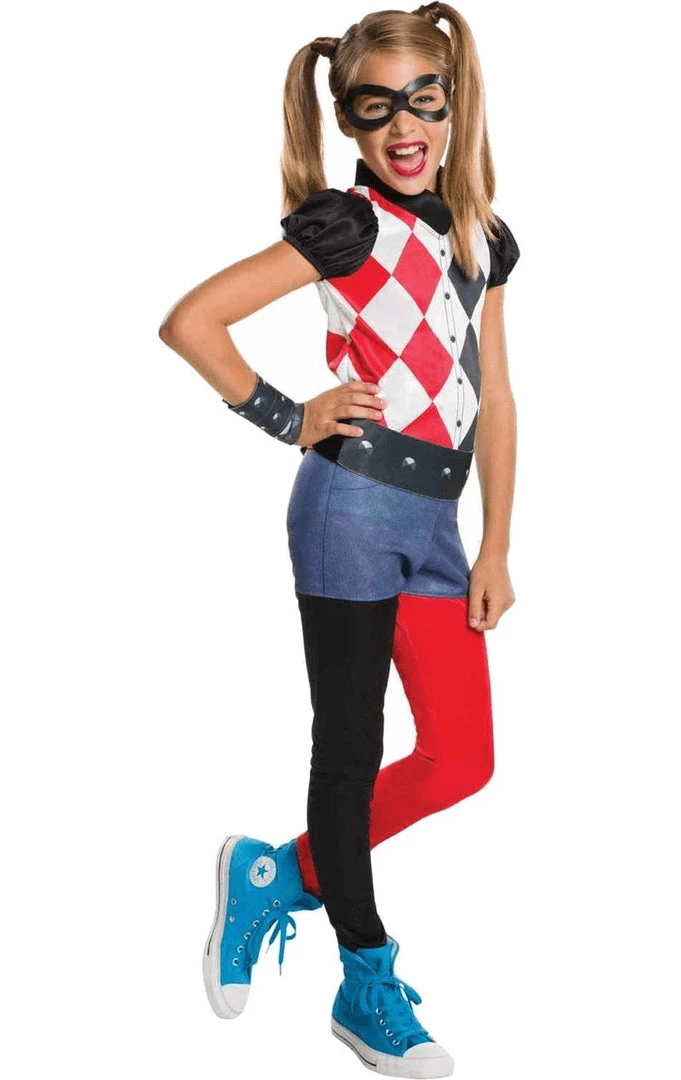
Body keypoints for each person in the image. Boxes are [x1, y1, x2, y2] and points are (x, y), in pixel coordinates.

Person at [159, 3, 520, 1077]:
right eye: (376, 108)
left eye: (423, 101)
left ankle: (278, 871)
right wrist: (289, 416)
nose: (404, 127)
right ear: (348, 120)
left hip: (438, 526)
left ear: (453, 103)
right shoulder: (345, 227)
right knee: (351, 746)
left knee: (462, 758)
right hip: (349, 509)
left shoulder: (481, 234)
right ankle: (365, 978)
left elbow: (495, 396)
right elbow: (192, 322)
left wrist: (495, 545)